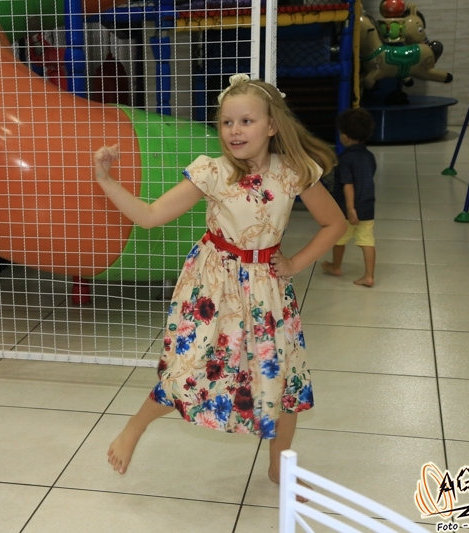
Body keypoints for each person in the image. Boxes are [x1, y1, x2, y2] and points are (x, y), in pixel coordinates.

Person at [94, 74, 347, 488]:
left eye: (246, 121)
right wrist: (106, 180)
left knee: (282, 378)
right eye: (227, 122)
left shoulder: (294, 172)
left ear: (272, 125)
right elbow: (150, 216)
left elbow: (335, 223)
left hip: (266, 291)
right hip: (213, 288)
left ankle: (279, 467)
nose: (234, 131)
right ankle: (134, 427)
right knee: (190, 369)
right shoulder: (212, 172)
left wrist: (295, 263)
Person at [321, 108, 378, 287]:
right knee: (367, 241)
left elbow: (348, 184)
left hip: (347, 209)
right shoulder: (369, 156)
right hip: (368, 208)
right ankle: (369, 276)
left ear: (345, 137)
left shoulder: (345, 159)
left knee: (339, 238)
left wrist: (350, 207)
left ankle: (336, 266)